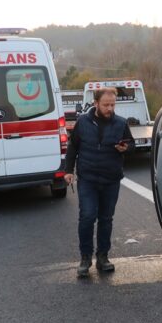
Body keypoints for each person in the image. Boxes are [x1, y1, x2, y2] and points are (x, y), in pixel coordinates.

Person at [64, 87, 134, 277]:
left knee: (106, 219)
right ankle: (85, 258)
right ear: (96, 103)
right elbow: (73, 147)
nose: (110, 108)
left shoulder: (120, 123)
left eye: (112, 104)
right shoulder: (82, 123)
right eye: (106, 105)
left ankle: (103, 257)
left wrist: (125, 148)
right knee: (87, 216)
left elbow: (131, 144)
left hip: (111, 179)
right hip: (88, 179)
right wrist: (68, 170)